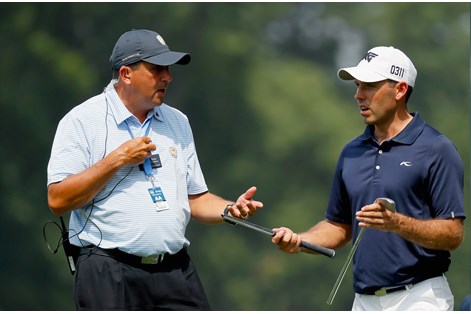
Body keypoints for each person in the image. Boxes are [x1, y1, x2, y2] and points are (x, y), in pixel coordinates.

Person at [47, 29, 263, 310]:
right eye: (157, 69)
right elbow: (58, 200)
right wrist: (116, 159)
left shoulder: (177, 121)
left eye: (168, 69)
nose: (168, 77)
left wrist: (229, 209)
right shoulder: (81, 120)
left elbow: (196, 199)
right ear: (126, 74)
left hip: (175, 270)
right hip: (108, 270)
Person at [271, 46, 465, 311]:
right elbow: (339, 225)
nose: (358, 95)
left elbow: (453, 234)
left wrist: (397, 223)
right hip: (363, 301)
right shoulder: (352, 151)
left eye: (369, 86)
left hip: (420, 297)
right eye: (358, 86)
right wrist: (300, 241)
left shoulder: (436, 148)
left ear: (400, 90)